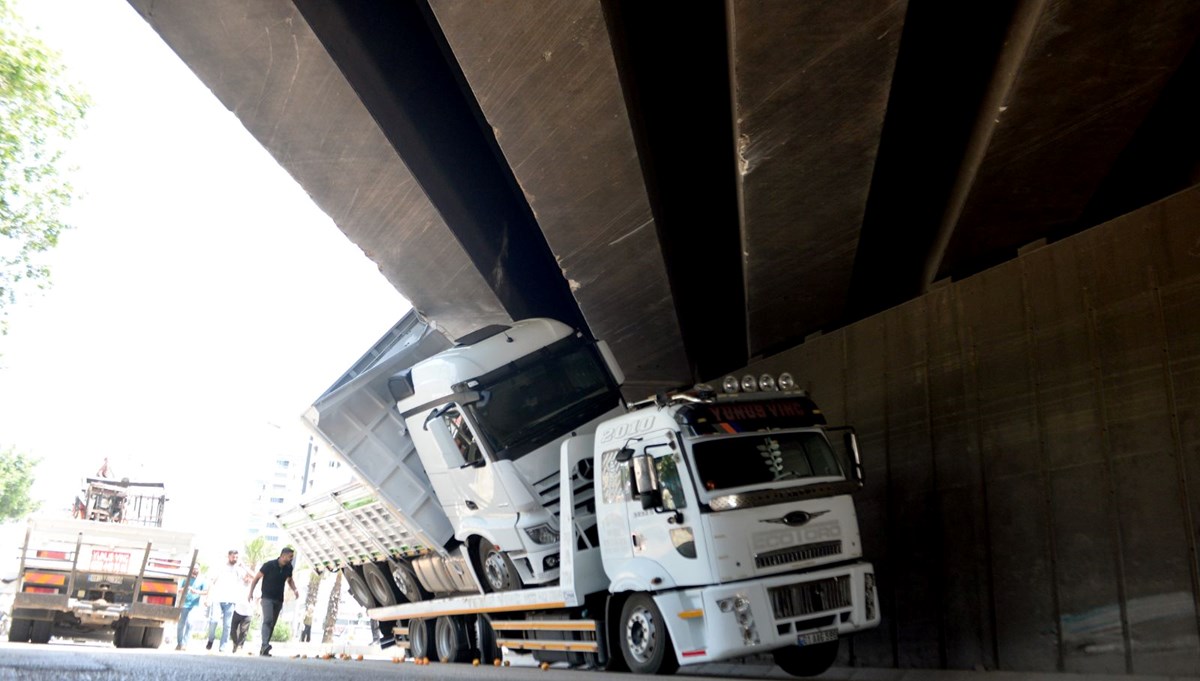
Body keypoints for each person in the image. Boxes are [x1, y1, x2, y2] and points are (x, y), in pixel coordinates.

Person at [247, 547, 299, 656]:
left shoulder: (289, 567)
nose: (291, 559)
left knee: (272, 624)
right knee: (268, 620)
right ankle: (265, 644)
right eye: (290, 557)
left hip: (279, 599)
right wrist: (251, 592)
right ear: (283, 556)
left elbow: (289, 580)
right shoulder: (269, 565)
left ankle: (264, 648)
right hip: (267, 598)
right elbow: (256, 578)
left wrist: (295, 589)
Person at [206, 549, 251, 652]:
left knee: (227, 625)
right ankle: (210, 639)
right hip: (217, 599)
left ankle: (223, 647)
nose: (235, 559)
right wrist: (208, 597)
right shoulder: (221, 567)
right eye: (233, 557)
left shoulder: (239, 570)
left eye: (236, 557)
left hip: (231, 601)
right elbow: (212, 582)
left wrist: (244, 566)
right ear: (228, 556)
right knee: (214, 621)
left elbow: (251, 577)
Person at [175, 565, 208, 651]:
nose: (195, 570)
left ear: (199, 570)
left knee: (190, 623)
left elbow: (205, 592)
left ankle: (185, 644)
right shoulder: (186, 579)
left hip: (194, 605)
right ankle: (179, 643)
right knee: (181, 624)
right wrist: (184, 589)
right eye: (193, 569)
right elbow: (178, 589)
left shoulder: (202, 581)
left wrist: (196, 591)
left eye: (196, 569)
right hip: (184, 604)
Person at [230, 589, 255, 654]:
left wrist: (257, 609)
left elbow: (258, 599)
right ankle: (235, 643)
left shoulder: (254, 587)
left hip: (248, 613)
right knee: (233, 630)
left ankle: (240, 646)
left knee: (243, 631)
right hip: (237, 611)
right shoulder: (239, 585)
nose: (247, 578)